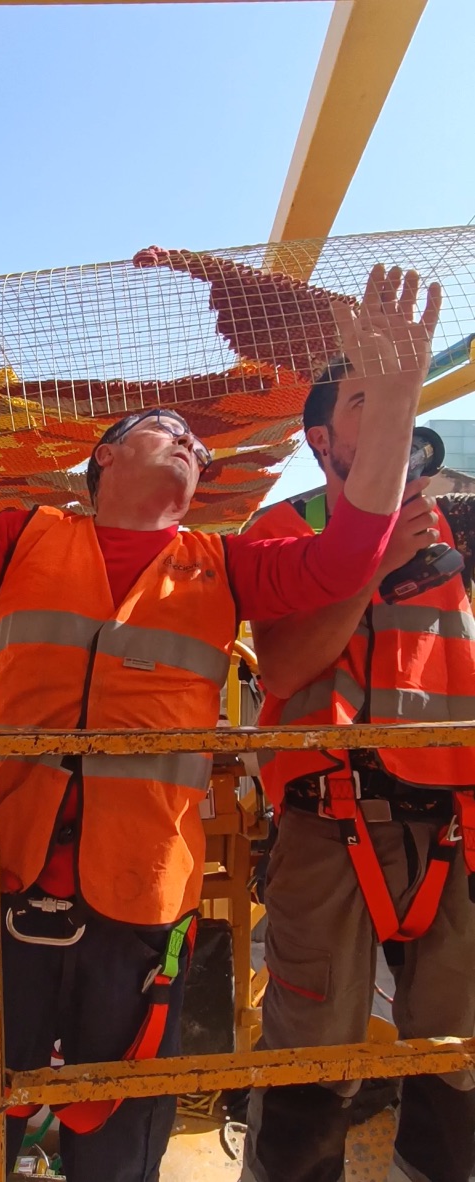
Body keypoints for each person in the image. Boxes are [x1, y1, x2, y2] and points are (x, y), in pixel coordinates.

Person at [0, 265, 439, 1182]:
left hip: (141, 898)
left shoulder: (220, 566)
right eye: (165, 427)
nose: (191, 441)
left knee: (119, 1137)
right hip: (1, 878)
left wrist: (393, 401)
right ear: (100, 459)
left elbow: (349, 556)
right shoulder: (25, 537)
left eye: (197, 441)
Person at [240, 333, 475, 1178]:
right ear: (321, 440)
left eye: (399, 398)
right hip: (325, 821)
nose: (389, 416)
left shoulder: (458, 523)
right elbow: (287, 666)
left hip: (450, 824)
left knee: (453, 1050)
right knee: (312, 1048)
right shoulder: (281, 526)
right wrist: (379, 566)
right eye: (362, 401)